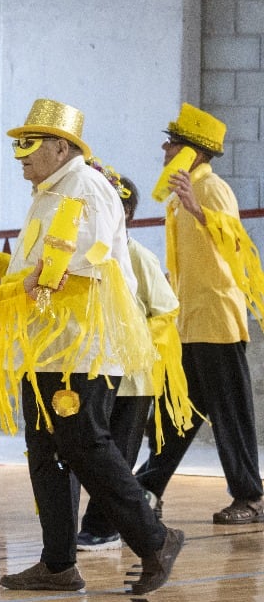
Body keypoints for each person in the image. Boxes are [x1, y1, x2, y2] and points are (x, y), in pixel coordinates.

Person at [0, 99, 182, 595]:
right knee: (46, 453)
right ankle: (58, 563)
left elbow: (75, 267)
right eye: (17, 144)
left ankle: (154, 539)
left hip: (79, 348)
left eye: (28, 145)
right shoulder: (51, 191)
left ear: (60, 146)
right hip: (45, 347)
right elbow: (36, 267)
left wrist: (8, 292)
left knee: (85, 444)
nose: (19, 155)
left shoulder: (86, 188)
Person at [135, 104, 264, 524]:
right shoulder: (181, 195)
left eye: (172, 142)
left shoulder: (210, 190)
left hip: (216, 322)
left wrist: (197, 208)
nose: (164, 146)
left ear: (194, 152)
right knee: (176, 412)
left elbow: (238, 245)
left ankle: (252, 497)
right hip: (188, 322)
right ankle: (147, 486)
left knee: (231, 414)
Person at [75, 173, 188, 550]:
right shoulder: (91, 255)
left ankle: (105, 526)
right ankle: (120, 516)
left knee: (118, 456)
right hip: (99, 372)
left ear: (123, 211)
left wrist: (135, 343)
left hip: (134, 378)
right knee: (96, 453)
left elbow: (167, 310)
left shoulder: (139, 257)